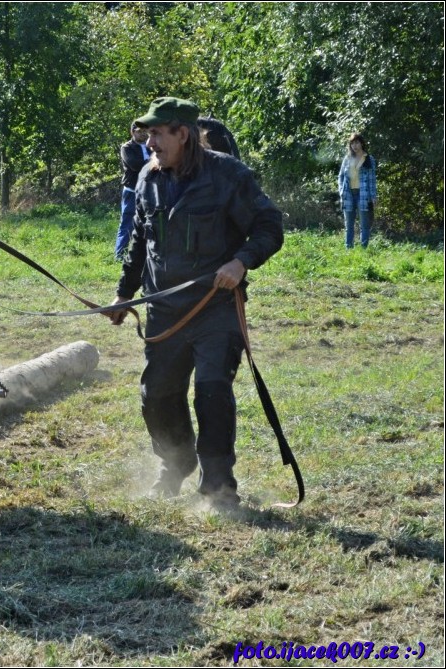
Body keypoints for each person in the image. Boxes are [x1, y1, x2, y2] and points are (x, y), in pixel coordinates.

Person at [108, 97, 284, 510]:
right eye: (148, 134)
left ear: (183, 134)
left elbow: (269, 226)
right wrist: (124, 293)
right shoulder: (147, 178)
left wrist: (241, 262)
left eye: (157, 134)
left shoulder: (228, 175)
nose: (149, 143)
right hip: (164, 311)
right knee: (157, 396)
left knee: (212, 392)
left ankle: (218, 488)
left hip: (215, 308)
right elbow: (140, 243)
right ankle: (176, 463)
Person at [115, 122, 150, 260]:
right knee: (127, 222)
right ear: (132, 132)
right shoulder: (127, 148)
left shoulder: (152, 146)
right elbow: (135, 165)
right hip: (132, 190)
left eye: (145, 131)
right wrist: (154, 162)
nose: (143, 134)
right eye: (140, 131)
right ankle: (120, 254)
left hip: (149, 190)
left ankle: (144, 255)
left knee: (148, 222)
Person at [337, 132, 377, 249]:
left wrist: (374, 196)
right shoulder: (347, 158)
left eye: (357, 143)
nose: (355, 146)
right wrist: (341, 191)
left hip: (363, 194)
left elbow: (372, 179)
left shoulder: (369, 159)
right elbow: (341, 176)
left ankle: (364, 249)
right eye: (352, 143)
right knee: (349, 224)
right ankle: (348, 248)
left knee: (364, 224)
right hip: (348, 194)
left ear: (362, 143)